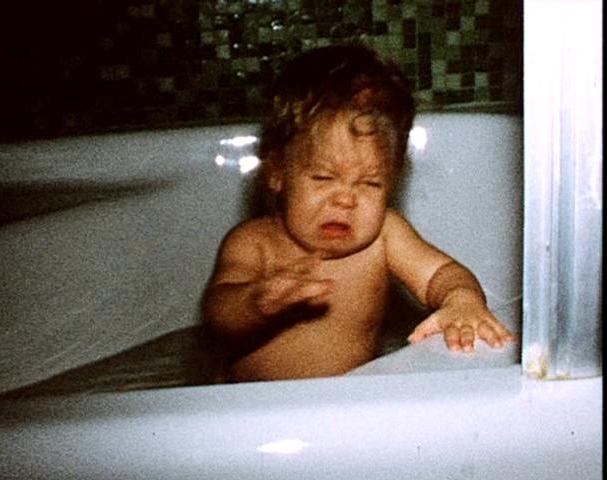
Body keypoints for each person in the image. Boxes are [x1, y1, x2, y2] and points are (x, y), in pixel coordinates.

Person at [201, 44, 513, 382]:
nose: (346, 200)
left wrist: (461, 299)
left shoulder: (384, 237)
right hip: (258, 405)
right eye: (323, 178)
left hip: (348, 402)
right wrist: (257, 301)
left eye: (370, 183)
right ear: (277, 172)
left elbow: (442, 273)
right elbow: (218, 315)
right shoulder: (253, 242)